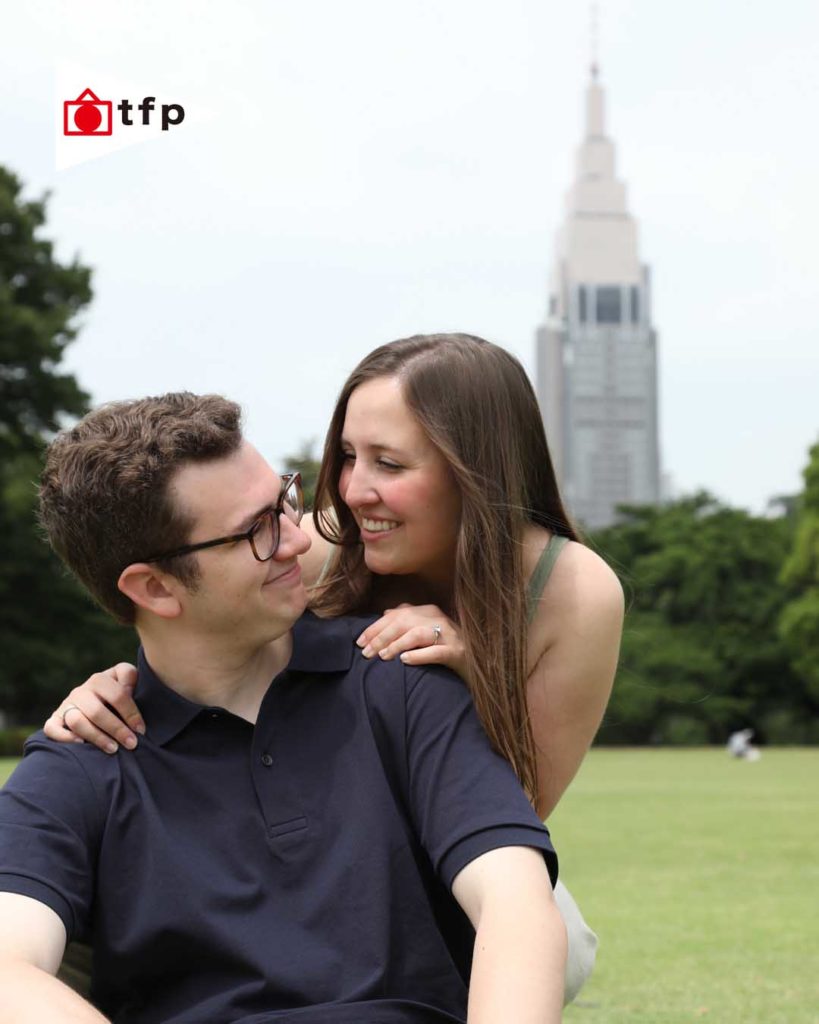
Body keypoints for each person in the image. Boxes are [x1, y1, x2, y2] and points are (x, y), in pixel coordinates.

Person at [46, 333, 624, 999]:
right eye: (347, 456)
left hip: (421, 845)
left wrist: (464, 670)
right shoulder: (320, 545)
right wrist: (111, 685)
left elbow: (519, 803)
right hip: (260, 828)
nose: (353, 490)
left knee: (557, 940)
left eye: (390, 464)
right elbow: (183, 617)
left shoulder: (570, 592)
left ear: (477, 471)